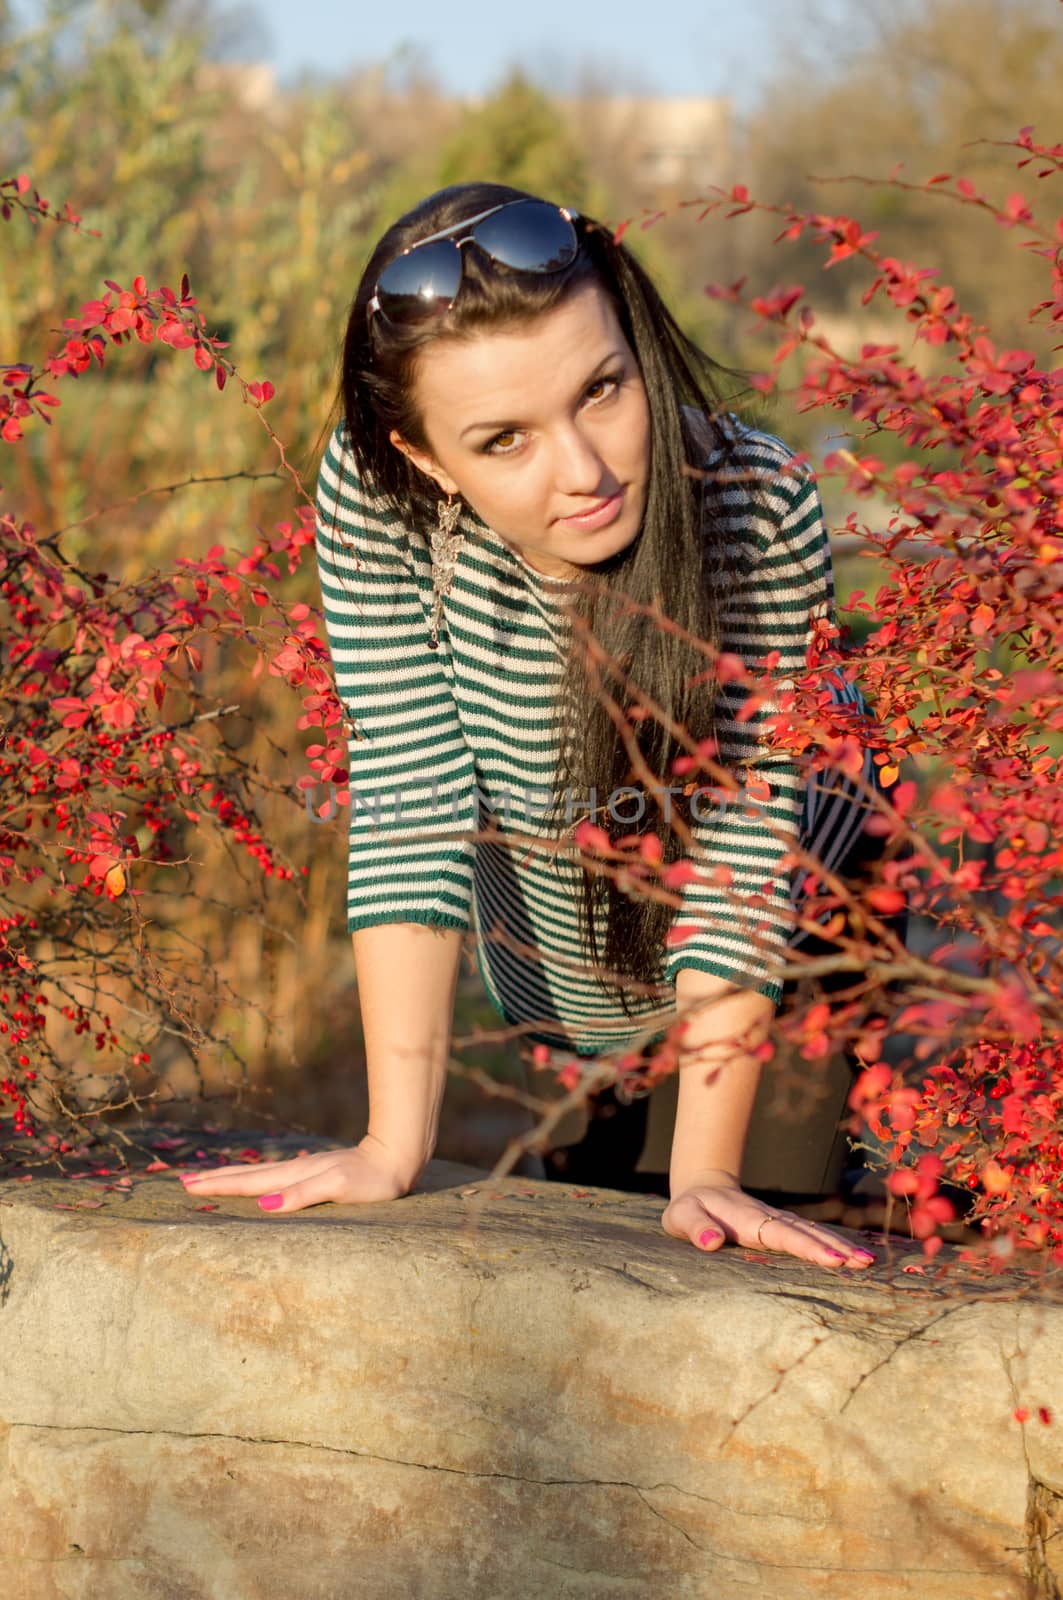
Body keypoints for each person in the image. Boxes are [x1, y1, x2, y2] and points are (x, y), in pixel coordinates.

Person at [180, 182, 912, 1271]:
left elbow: (746, 842)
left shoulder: (753, 502)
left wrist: (708, 1174)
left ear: (631, 340)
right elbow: (412, 795)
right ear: (425, 458)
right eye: (503, 440)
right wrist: (392, 1144)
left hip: (790, 930)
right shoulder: (380, 498)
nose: (587, 471)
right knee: (592, 1204)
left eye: (603, 388)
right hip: (583, 946)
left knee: (718, 1237)